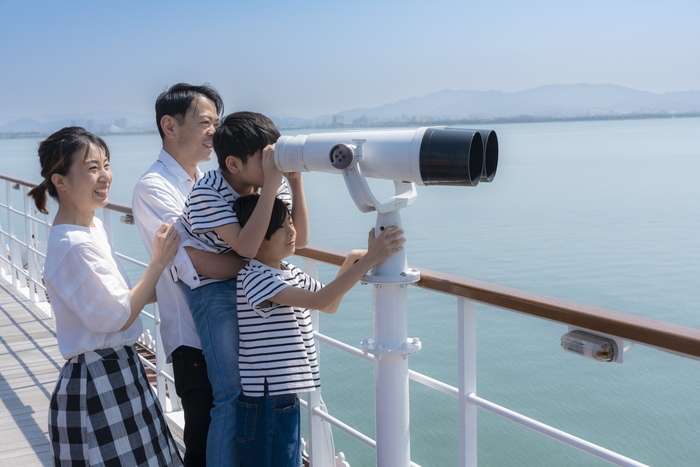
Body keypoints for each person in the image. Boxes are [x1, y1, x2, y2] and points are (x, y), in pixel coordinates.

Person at [29, 126, 183, 466]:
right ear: (60, 181)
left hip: (119, 372)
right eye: (92, 168)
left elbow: (118, 299)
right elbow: (117, 315)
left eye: (106, 165)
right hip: (98, 381)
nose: (105, 176)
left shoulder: (91, 228)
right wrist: (158, 263)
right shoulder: (72, 245)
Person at [233, 194, 404, 466]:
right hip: (266, 399)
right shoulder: (254, 277)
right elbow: (319, 301)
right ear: (257, 236)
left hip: (282, 395)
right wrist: (369, 260)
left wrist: (354, 259)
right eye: (281, 227)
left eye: (290, 223)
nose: (292, 231)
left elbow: (329, 303)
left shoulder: (288, 271)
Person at [178, 111, 309, 466]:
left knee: (256, 387)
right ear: (233, 164)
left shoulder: (270, 183)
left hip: (249, 280)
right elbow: (248, 247)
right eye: (265, 158)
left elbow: (300, 240)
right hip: (211, 287)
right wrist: (271, 185)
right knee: (230, 394)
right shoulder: (207, 191)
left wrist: (294, 183)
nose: (273, 164)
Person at [132, 83, 246, 467]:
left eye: (216, 122)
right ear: (170, 126)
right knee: (204, 446)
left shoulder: (209, 182)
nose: (215, 131)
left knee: (232, 444)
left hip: (231, 332)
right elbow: (193, 262)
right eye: (205, 123)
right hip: (194, 342)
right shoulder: (154, 187)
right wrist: (262, 263)